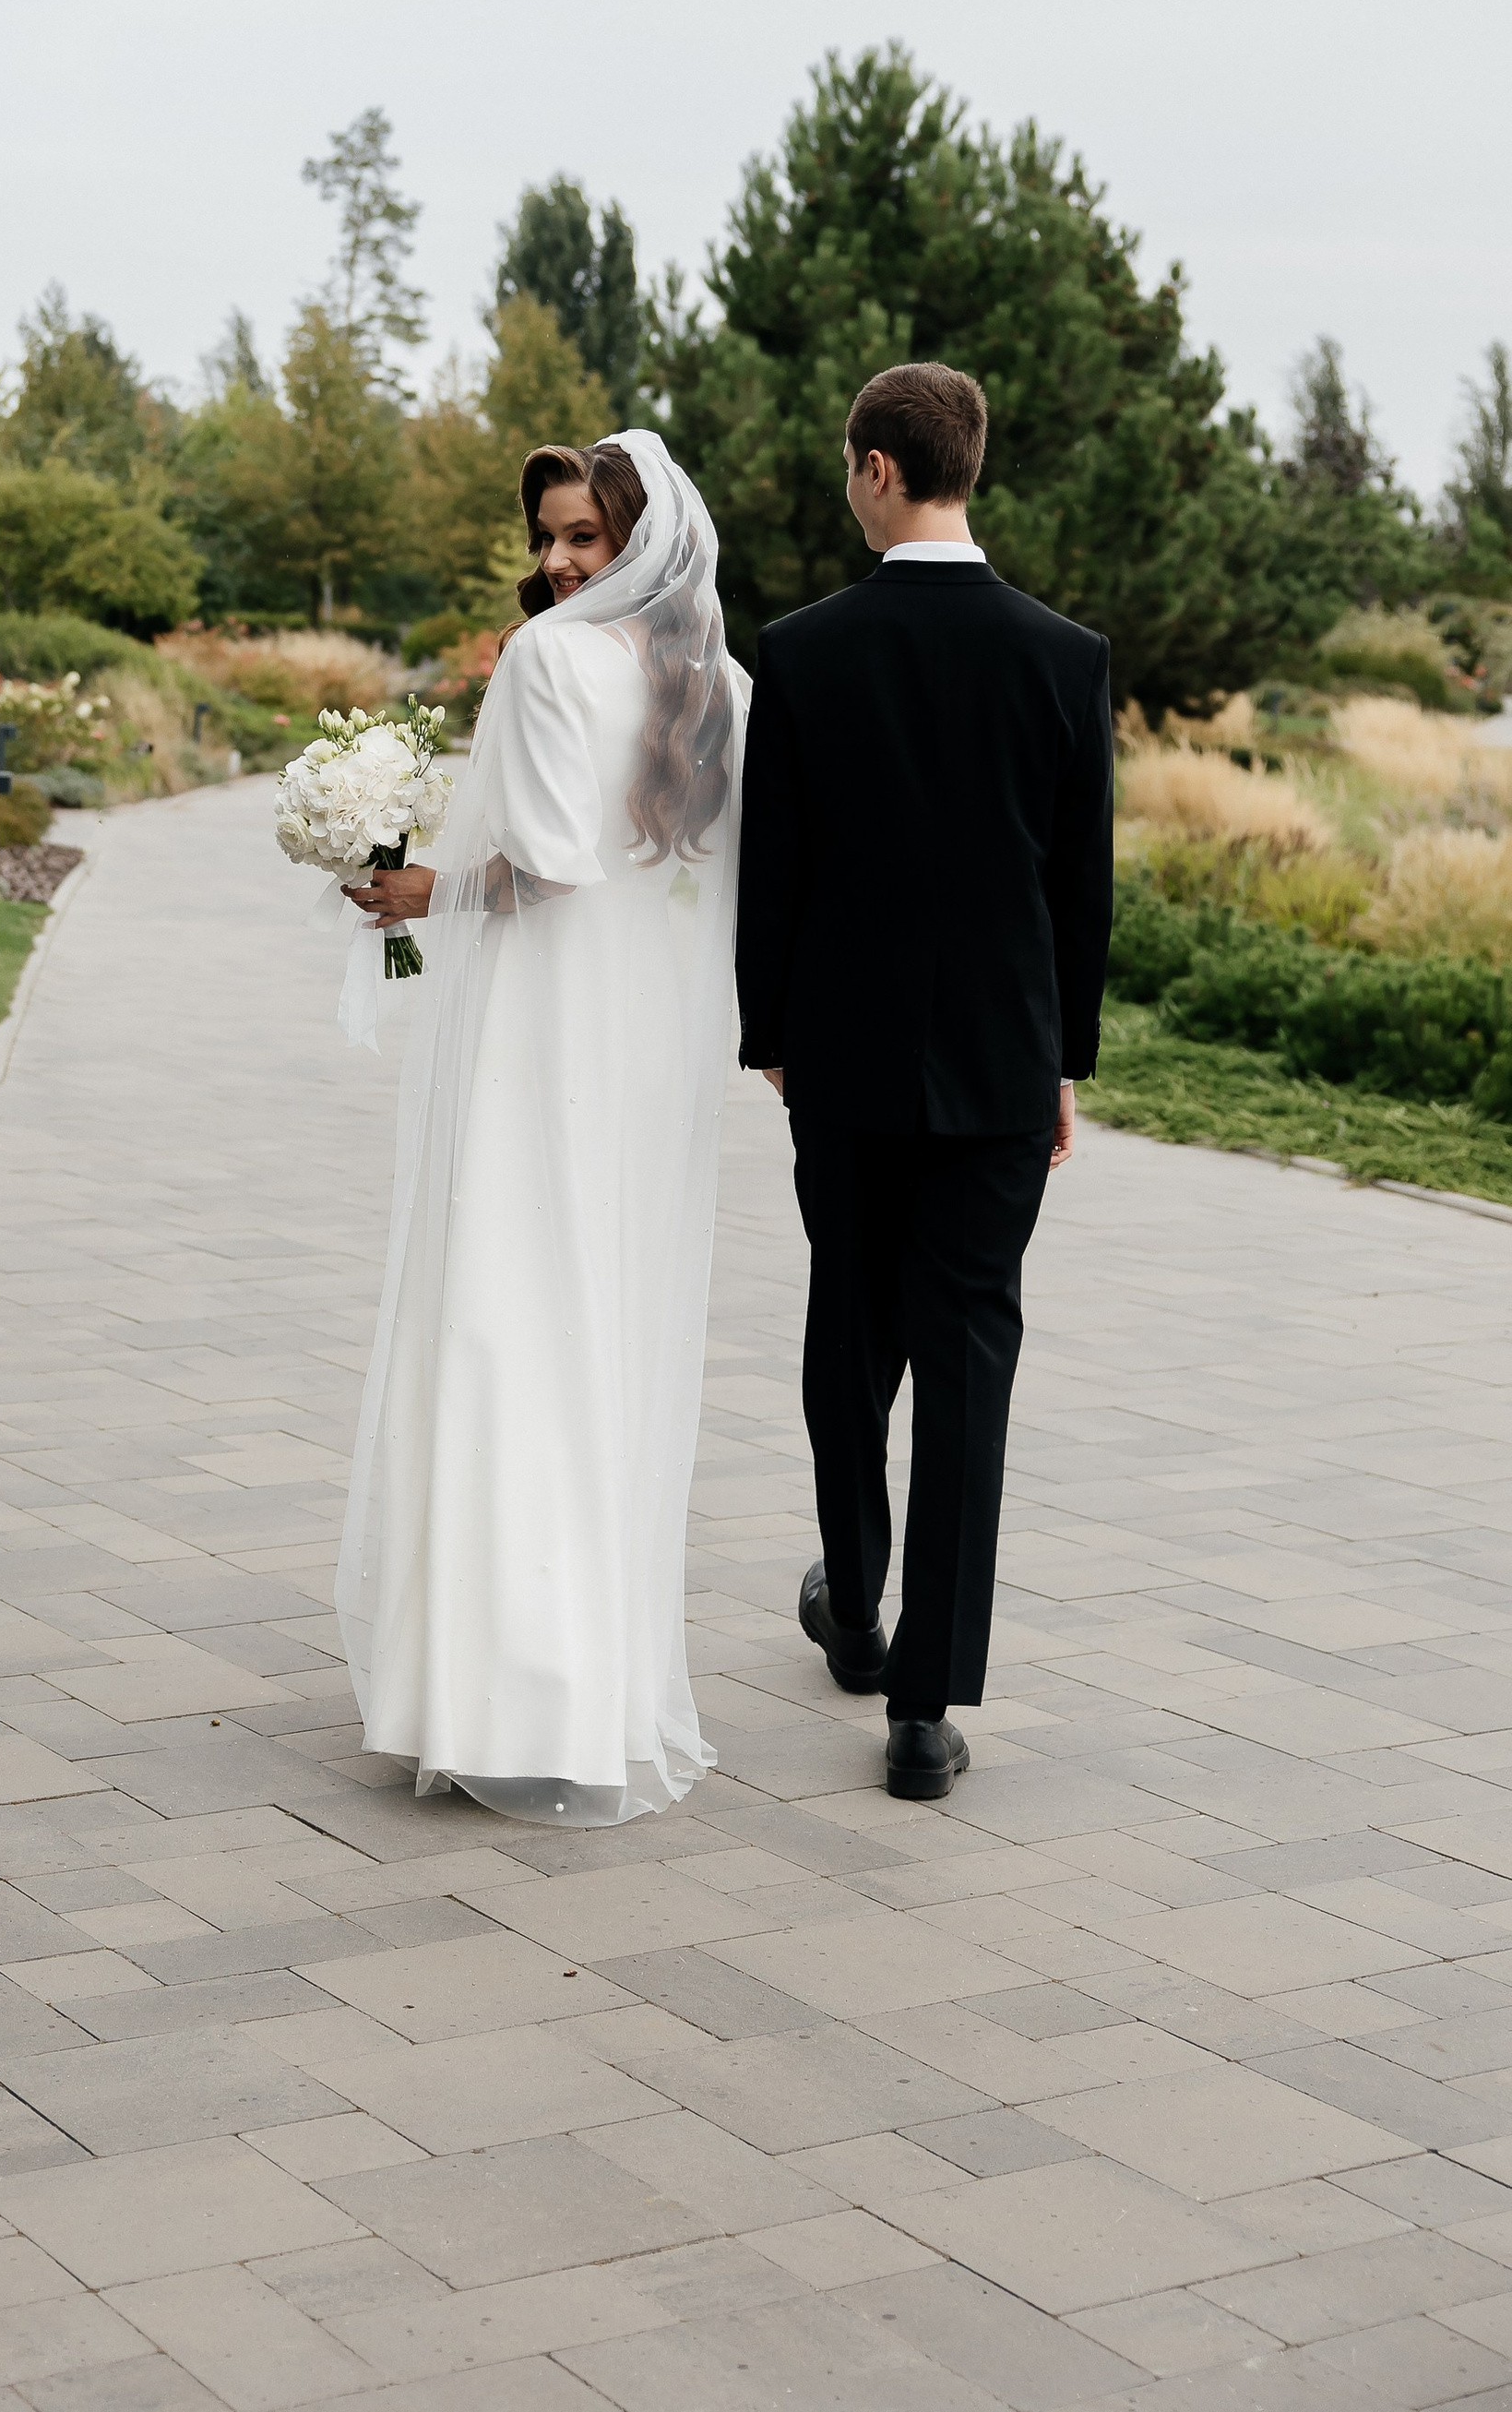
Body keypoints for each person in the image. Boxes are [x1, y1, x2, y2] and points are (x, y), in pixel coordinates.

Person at [335, 430, 745, 1826]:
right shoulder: (711, 681)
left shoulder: (554, 659)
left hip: (537, 1036)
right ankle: (583, 1687)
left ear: (638, 537)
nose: (561, 561)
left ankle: (499, 1691)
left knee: (503, 1317)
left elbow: (553, 866)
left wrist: (421, 892)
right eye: (551, 538)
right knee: (591, 1330)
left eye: (586, 536)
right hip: (636, 1049)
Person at [736, 362, 1113, 1801]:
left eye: (848, 467)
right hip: (1002, 1076)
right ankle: (920, 1707)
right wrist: (1060, 1060)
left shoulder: (806, 650)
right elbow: (1080, 891)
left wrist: (770, 1031)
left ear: (881, 471)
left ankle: (854, 1601)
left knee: (850, 1325)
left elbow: (777, 870)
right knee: (966, 1364)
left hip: (837, 1065)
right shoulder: (1062, 655)